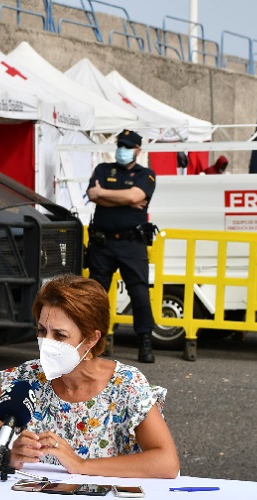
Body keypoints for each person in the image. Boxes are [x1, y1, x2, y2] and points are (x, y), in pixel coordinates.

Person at [0, 275, 179, 478]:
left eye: (59, 335)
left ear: (91, 339)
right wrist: (7, 455)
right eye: (41, 331)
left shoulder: (125, 385)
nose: (46, 343)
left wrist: (81, 465)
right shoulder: (27, 378)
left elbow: (166, 462)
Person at [85, 129, 157, 363]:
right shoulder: (103, 169)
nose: (122, 150)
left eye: (127, 147)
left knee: (139, 293)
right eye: (120, 145)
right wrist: (122, 198)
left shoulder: (145, 174)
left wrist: (105, 194)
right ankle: (94, 342)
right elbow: (92, 195)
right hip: (102, 244)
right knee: (95, 295)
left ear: (138, 150)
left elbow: (134, 197)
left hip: (131, 244)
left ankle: (145, 341)